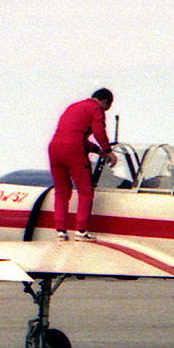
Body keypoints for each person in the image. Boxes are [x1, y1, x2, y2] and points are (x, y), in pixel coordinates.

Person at [48, 88, 117, 241]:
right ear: (105, 102)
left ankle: (60, 231)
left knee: (61, 192)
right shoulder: (96, 109)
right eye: (107, 107)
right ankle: (81, 230)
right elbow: (98, 132)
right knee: (85, 191)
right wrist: (108, 151)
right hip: (74, 151)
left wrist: (97, 151)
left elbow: (72, 134)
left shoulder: (73, 107)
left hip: (54, 149)